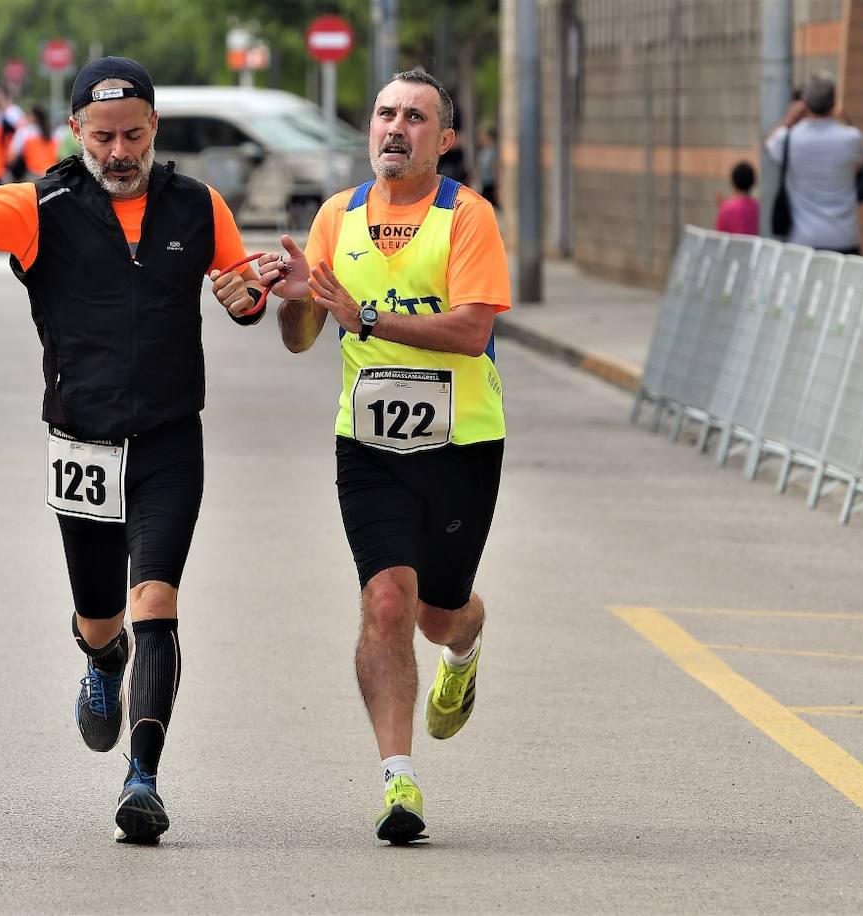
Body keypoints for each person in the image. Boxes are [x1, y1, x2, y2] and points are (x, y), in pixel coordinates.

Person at [0, 51, 264, 844]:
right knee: (102, 619)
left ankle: (143, 777)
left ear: (154, 128)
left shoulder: (198, 207)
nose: (119, 152)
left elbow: (242, 294)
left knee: (157, 603)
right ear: (76, 131)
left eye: (133, 134)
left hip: (173, 438)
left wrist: (247, 299)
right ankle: (101, 663)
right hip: (84, 445)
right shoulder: (45, 205)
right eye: (102, 136)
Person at [257, 69, 510, 844]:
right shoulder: (338, 215)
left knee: (436, 615)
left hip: (462, 442)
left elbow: (471, 330)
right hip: (368, 443)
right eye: (384, 114)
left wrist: (367, 317)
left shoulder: (467, 217)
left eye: (415, 117)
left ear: (444, 139)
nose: (395, 128)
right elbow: (304, 339)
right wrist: (298, 296)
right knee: (387, 603)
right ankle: (398, 781)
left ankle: (465, 645)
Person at [764, 73, 863, 254]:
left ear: (804, 102)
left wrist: (790, 117)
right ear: (834, 102)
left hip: (803, 239)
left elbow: (769, 143)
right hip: (844, 237)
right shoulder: (852, 138)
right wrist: (844, 117)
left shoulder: (789, 138)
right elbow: (862, 161)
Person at [715, 161, 760, 236]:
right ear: (753, 182)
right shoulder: (758, 207)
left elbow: (719, 237)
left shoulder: (727, 209)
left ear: (732, 182)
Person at [475, 125, 499, 208]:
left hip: (490, 183)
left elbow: (495, 168)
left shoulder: (493, 151)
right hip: (483, 182)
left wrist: (497, 186)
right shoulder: (482, 151)